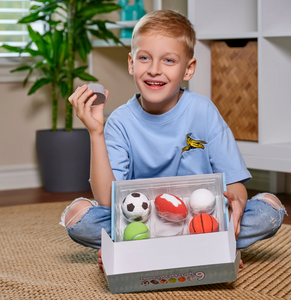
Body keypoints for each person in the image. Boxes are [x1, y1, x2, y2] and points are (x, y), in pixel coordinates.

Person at [60, 10, 286, 272]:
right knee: (78, 218)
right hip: (143, 221)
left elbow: (235, 185)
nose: (154, 70)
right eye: (145, 58)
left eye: (168, 60)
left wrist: (236, 205)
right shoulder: (120, 121)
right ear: (132, 63)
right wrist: (96, 132)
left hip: (202, 219)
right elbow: (107, 201)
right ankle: (199, 249)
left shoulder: (203, 111)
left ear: (188, 69)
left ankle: (141, 248)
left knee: (268, 210)